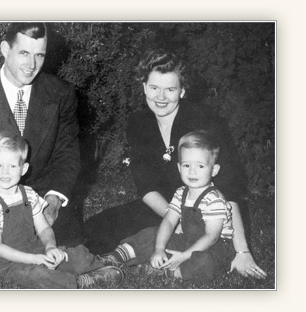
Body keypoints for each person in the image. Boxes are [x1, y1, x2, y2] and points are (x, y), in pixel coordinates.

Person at [84, 48, 267, 279]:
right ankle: (101, 263)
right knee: (96, 230)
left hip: (208, 213)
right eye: (154, 88)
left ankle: (148, 265)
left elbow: (229, 188)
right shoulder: (139, 123)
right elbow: (145, 184)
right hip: (165, 205)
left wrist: (243, 250)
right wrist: (174, 219)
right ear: (144, 88)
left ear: (182, 91)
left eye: (170, 89)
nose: (161, 97)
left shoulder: (203, 119)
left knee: (198, 252)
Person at [0, 22, 83, 272]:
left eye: (39, 55)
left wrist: (53, 200)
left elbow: (68, 155)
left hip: (40, 197)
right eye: (23, 53)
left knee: (71, 249)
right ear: (5, 49)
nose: (32, 65)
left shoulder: (61, 93)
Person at [0, 133, 123, 288]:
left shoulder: (28, 194)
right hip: (7, 261)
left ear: (23, 169)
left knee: (72, 254)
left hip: (34, 247)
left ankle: (97, 263)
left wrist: (50, 247)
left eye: (12, 166)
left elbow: (44, 228)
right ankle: (80, 283)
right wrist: (35, 259)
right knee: (37, 275)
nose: (5, 172)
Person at [99, 130, 240, 283]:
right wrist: (160, 248)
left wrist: (184, 256)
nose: (192, 171)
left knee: (205, 262)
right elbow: (169, 221)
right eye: (187, 165)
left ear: (214, 170)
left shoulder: (215, 200)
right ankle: (115, 257)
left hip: (214, 247)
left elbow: (211, 237)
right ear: (179, 168)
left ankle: (170, 273)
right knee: (152, 232)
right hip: (187, 239)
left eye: (200, 166)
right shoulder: (181, 193)